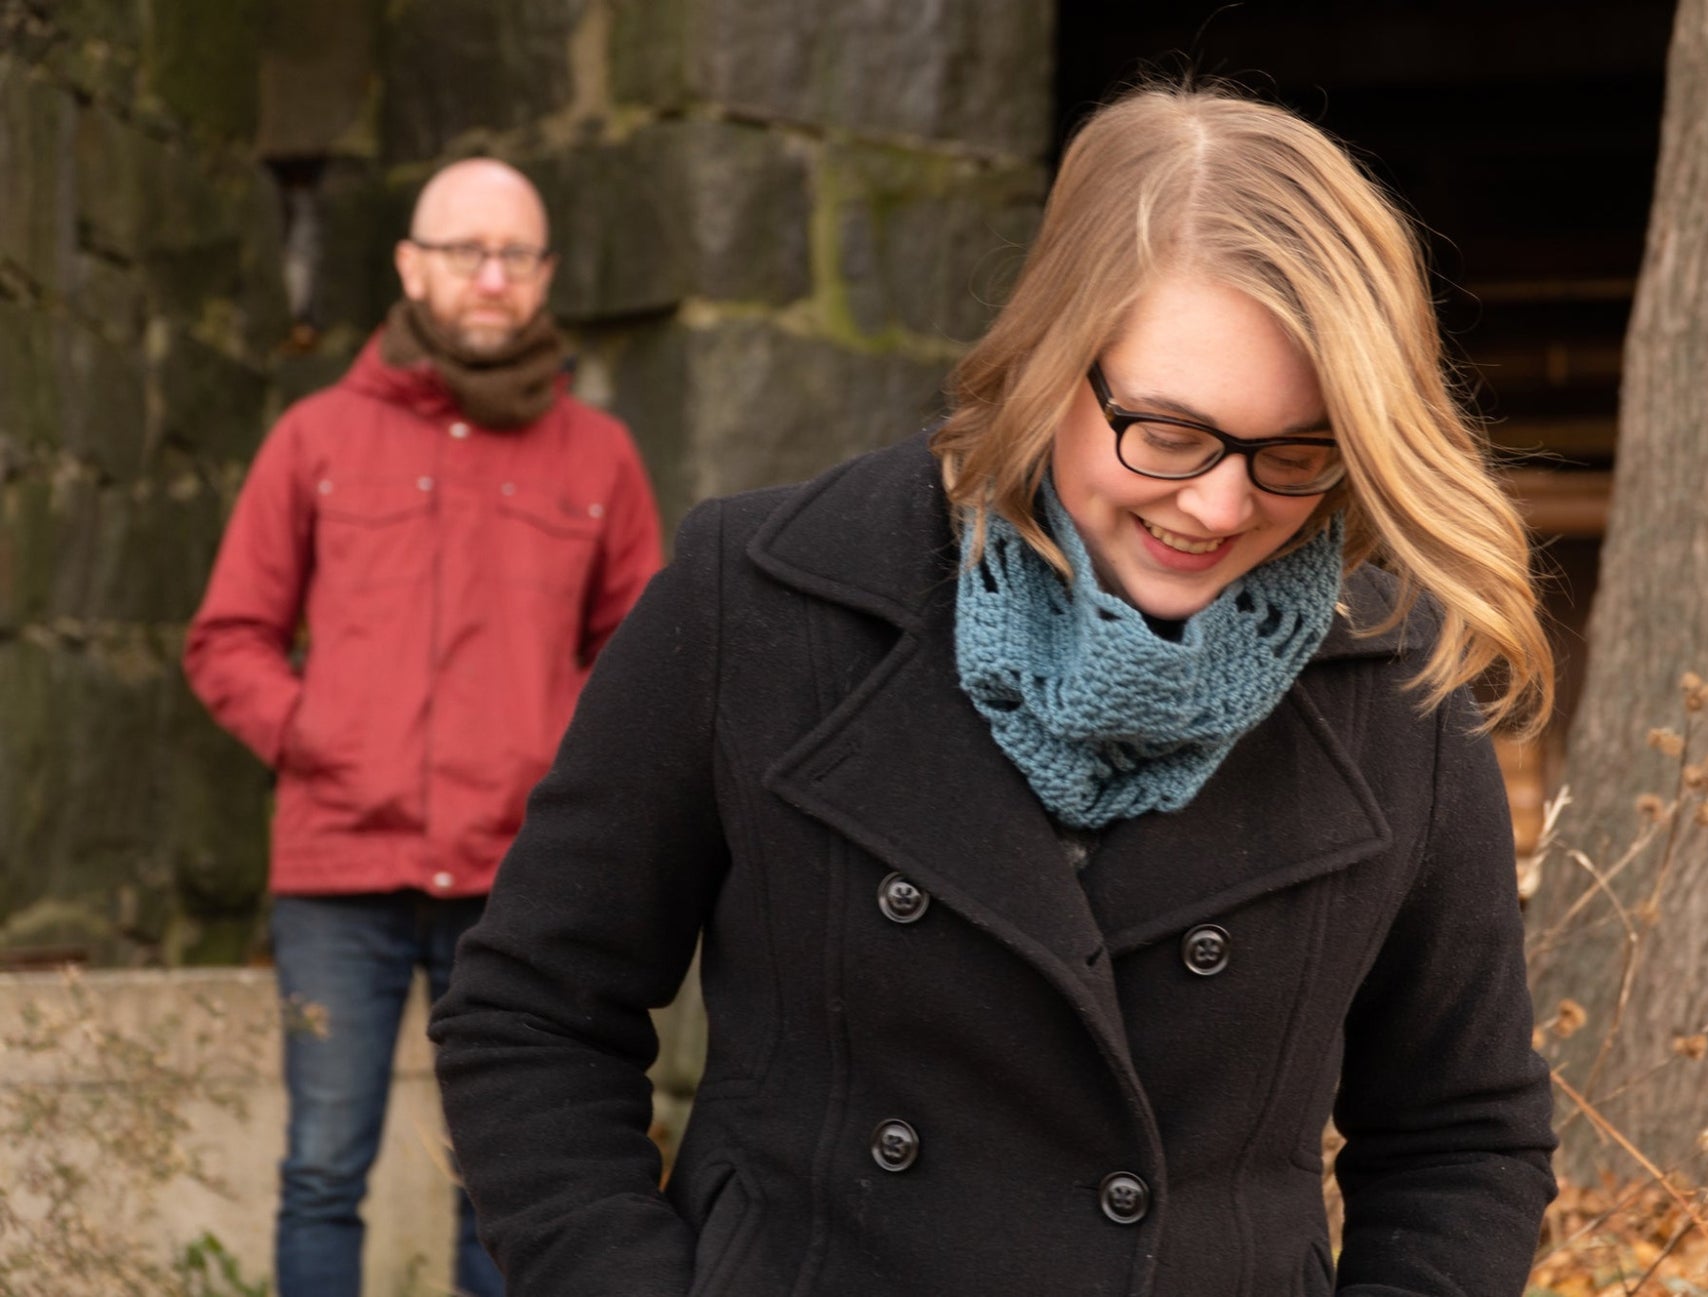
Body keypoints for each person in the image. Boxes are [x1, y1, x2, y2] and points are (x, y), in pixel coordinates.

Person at [430, 86, 1557, 1297]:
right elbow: (532, 1013)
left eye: (1295, 452)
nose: (1220, 507)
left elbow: (1461, 1135)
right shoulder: (756, 599)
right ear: (1051, 356)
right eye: (1166, 433)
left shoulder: (1394, 685)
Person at [183, 157, 663, 1297]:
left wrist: (554, 763)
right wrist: (322, 736)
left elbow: (644, 662)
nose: (491, 276)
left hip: (518, 879)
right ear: (410, 265)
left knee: (502, 1179)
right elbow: (227, 639)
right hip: (337, 874)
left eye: (517, 255)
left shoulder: (600, 457)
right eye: (465, 251)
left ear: (544, 274)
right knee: (320, 1171)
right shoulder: (314, 439)